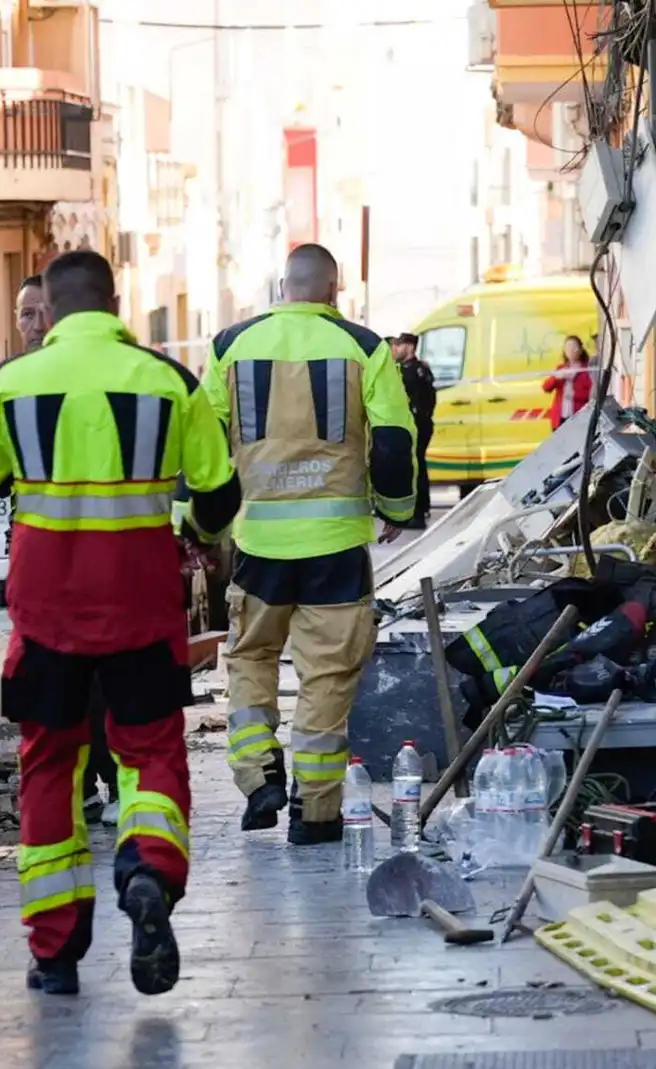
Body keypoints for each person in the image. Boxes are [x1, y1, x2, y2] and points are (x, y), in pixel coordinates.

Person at [0, 249, 242, 999]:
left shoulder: (6, 384)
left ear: (46, 313)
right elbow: (218, 495)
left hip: (45, 611)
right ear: (116, 305)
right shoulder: (169, 381)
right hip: (142, 608)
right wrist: (192, 522)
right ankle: (148, 868)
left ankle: (55, 954)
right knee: (150, 754)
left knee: (49, 764)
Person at [204, 243, 416, 845]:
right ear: (334, 289)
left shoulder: (229, 347)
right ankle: (315, 814)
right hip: (336, 549)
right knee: (326, 676)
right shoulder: (364, 347)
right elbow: (395, 439)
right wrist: (395, 507)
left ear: (282, 286)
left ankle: (258, 774)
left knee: (250, 659)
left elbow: (203, 447)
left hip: (258, 546)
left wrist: (202, 528)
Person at [10, 273, 119, 826]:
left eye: (38, 312)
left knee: (96, 680)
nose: (31, 325)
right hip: (42, 568)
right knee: (58, 683)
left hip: (100, 559)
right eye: (23, 315)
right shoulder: (10, 385)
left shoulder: (88, 378)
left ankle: (107, 779)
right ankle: (83, 788)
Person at [390, 332, 435, 529]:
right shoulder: (422, 369)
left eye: (399, 346)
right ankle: (423, 507)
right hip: (424, 422)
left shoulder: (407, 371)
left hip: (415, 424)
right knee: (421, 466)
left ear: (409, 347)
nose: (396, 350)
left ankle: (417, 514)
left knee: (414, 468)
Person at [541, 335, 593, 430]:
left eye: (574, 347)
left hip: (578, 417)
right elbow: (546, 388)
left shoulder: (586, 370)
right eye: (568, 348)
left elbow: (589, 395)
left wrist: (573, 393)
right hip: (560, 418)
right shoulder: (561, 368)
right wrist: (557, 378)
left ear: (580, 350)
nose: (571, 350)